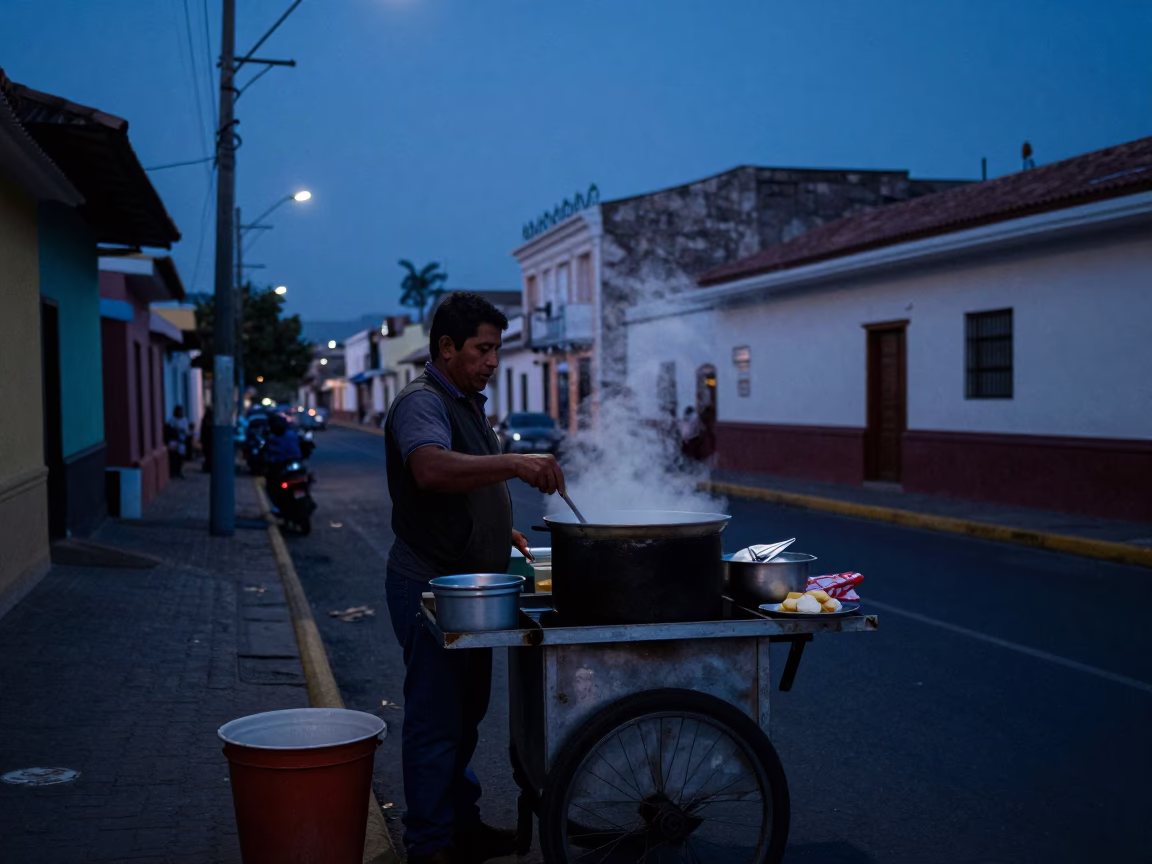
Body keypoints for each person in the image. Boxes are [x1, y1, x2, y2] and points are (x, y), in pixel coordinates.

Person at [384, 292, 565, 864]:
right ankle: (430, 845)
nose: (492, 361)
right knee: (436, 722)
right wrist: (515, 462)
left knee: (464, 719)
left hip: (474, 584)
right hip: (432, 587)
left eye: (497, 349)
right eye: (483, 349)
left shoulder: (467, 401)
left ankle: (460, 827)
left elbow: (471, 487)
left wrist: (497, 533)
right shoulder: (422, 402)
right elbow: (432, 468)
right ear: (446, 346)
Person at [165, 405, 190, 478]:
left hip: (182, 441)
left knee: (181, 458)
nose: (180, 412)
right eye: (178, 411)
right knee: (174, 457)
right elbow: (170, 429)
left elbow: (187, 431)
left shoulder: (184, 420)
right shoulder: (172, 420)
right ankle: (173, 472)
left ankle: (179, 471)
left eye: (181, 411)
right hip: (174, 441)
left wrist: (184, 431)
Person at [199, 407, 213, 472]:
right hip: (207, 441)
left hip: (209, 441)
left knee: (209, 455)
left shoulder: (210, 420)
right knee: (208, 455)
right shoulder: (206, 420)